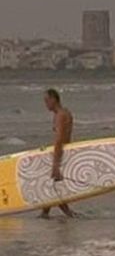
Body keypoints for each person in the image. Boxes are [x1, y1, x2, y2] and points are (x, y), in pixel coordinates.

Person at [40, 89, 75, 219]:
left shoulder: (60, 115)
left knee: (54, 183)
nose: (46, 104)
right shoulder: (63, 113)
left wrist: (55, 163)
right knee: (53, 184)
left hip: (62, 153)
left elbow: (60, 139)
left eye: (47, 100)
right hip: (64, 151)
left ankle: (68, 215)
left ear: (54, 99)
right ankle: (46, 213)